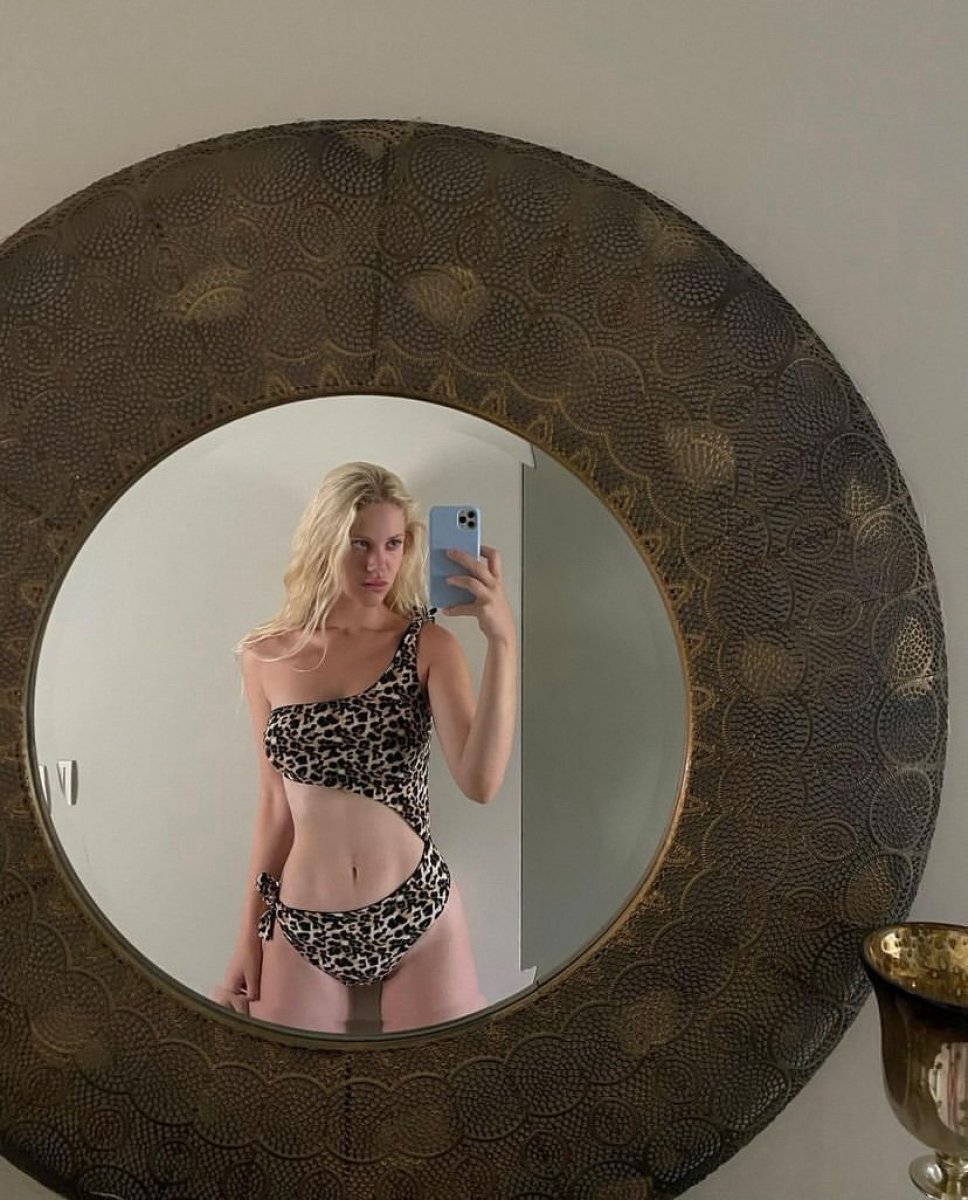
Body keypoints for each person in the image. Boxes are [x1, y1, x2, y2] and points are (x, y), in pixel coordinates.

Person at [213, 461, 517, 1033]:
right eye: (360, 544)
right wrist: (247, 939)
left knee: (440, 1080)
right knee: (289, 1082)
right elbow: (275, 807)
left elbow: (480, 783)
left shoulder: (428, 644)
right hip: (302, 922)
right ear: (325, 541)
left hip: (417, 910)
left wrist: (503, 641)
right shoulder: (265, 656)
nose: (378, 564)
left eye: (393, 544)